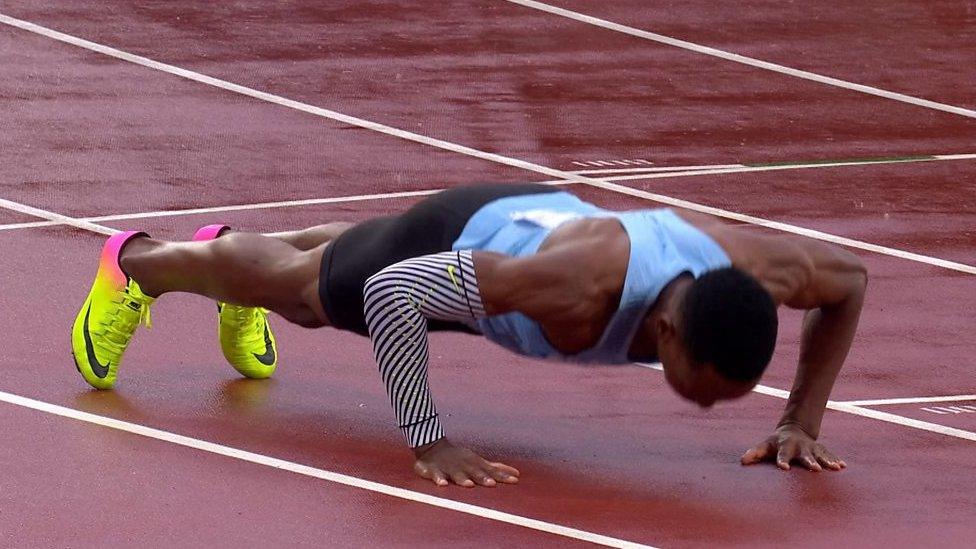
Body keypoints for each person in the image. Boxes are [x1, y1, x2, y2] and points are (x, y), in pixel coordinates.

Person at [71, 183, 866, 487]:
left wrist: (800, 418)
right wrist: (429, 439)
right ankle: (138, 261)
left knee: (337, 257)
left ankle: (228, 259)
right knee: (315, 294)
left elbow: (851, 282)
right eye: (705, 389)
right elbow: (392, 293)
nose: (706, 409)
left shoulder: (765, 268)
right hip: (456, 240)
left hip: (518, 228)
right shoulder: (574, 284)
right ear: (666, 327)